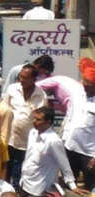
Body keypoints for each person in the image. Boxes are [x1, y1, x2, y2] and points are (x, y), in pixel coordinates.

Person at [20, 106, 81, 196]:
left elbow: (64, 164)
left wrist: (72, 185)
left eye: (38, 120)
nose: (34, 122)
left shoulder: (53, 141)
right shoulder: (32, 133)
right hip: (25, 182)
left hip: (39, 189)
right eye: (34, 118)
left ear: (48, 122)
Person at [4, 64, 47, 188]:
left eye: (25, 78)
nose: (21, 80)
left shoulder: (41, 95)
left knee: (23, 173)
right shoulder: (12, 89)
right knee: (7, 170)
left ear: (34, 79)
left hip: (27, 143)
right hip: (10, 139)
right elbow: (5, 111)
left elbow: (42, 121)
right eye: (20, 77)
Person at [62, 58, 95, 190]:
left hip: (89, 153)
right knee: (69, 184)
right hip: (70, 147)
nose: (84, 84)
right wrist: (63, 141)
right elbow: (69, 118)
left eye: (88, 83)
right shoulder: (77, 95)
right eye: (84, 81)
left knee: (90, 186)